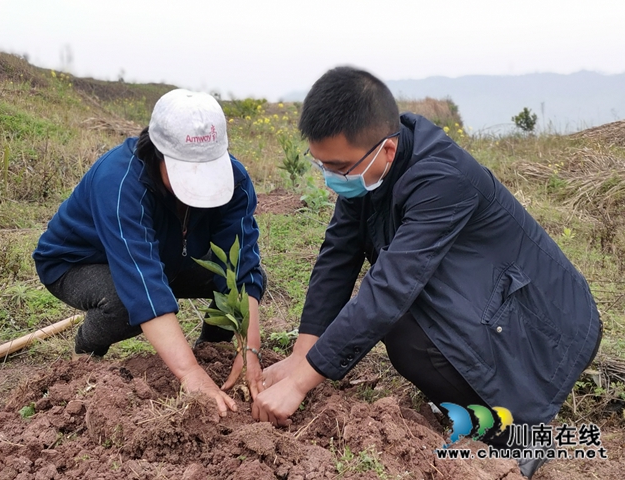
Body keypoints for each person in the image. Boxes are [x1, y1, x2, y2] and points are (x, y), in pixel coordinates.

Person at [252, 67, 602, 478]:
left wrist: (298, 384)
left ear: (385, 149)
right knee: (404, 321)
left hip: (541, 323)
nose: (332, 179)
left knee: (404, 330)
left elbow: (390, 289)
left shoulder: (442, 177)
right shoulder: (367, 171)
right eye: (322, 165)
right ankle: (477, 401)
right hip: (485, 294)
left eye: (339, 167)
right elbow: (338, 254)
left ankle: (518, 434)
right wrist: (300, 354)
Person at [34, 89, 266, 416]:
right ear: (158, 153)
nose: (199, 185)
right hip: (78, 262)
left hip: (167, 259)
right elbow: (141, 284)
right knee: (123, 303)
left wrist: (249, 351)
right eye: (188, 172)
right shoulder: (119, 182)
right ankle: (86, 353)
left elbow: (241, 269)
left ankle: (211, 351)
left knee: (236, 282)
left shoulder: (235, 181)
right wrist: (189, 373)